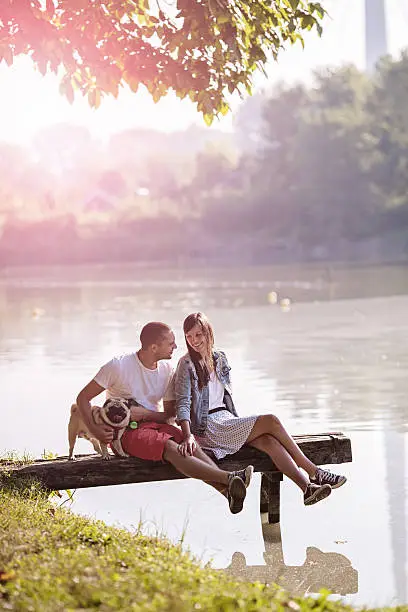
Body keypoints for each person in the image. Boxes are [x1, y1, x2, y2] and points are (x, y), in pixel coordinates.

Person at [76, 321, 253, 514]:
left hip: (156, 424)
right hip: (126, 431)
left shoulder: (167, 371)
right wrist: (95, 431)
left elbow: (169, 415)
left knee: (189, 445)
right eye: (171, 343)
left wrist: (146, 414)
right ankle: (229, 479)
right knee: (169, 446)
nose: (176, 346)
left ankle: (228, 492)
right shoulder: (118, 366)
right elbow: (83, 398)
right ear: (154, 347)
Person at [175, 312, 347, 507]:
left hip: (226, 420)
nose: (194, 341)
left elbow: (225, 399)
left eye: (198, 335)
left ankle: (306, 488)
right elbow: (183, 403)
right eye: (189, 336)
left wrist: (236, 422)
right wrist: (188, 435)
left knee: (268, 441)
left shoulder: (220, 358)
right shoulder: (186, 364)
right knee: (271, 420)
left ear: (208, 332)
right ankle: (315, 471)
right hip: (208, 427)